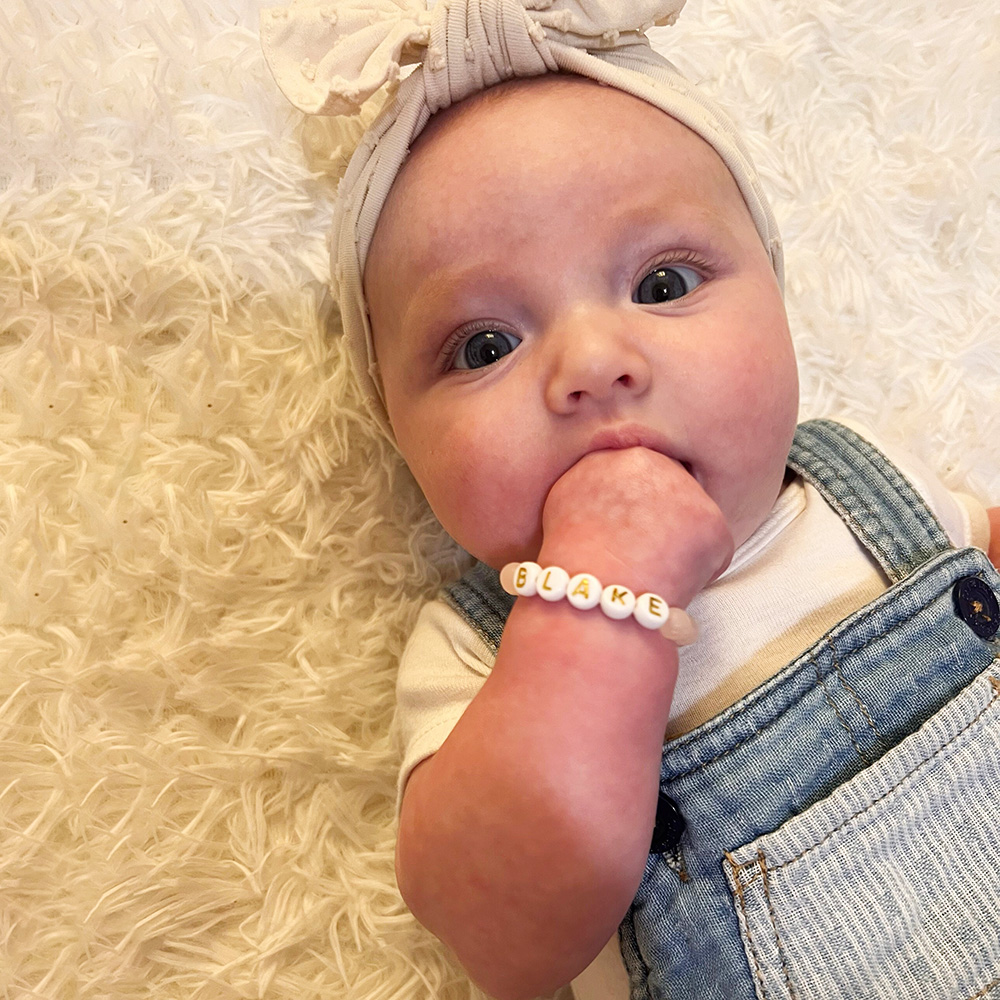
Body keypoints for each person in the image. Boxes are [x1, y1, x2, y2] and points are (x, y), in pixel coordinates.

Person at [261, 2, 1000, 998]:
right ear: (400, 437)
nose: (595, 363)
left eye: (661, 283)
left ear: (777, 304)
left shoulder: (865, 484)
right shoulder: (477, 659)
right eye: (485, 345)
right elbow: (505, 934)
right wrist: (591, 604)